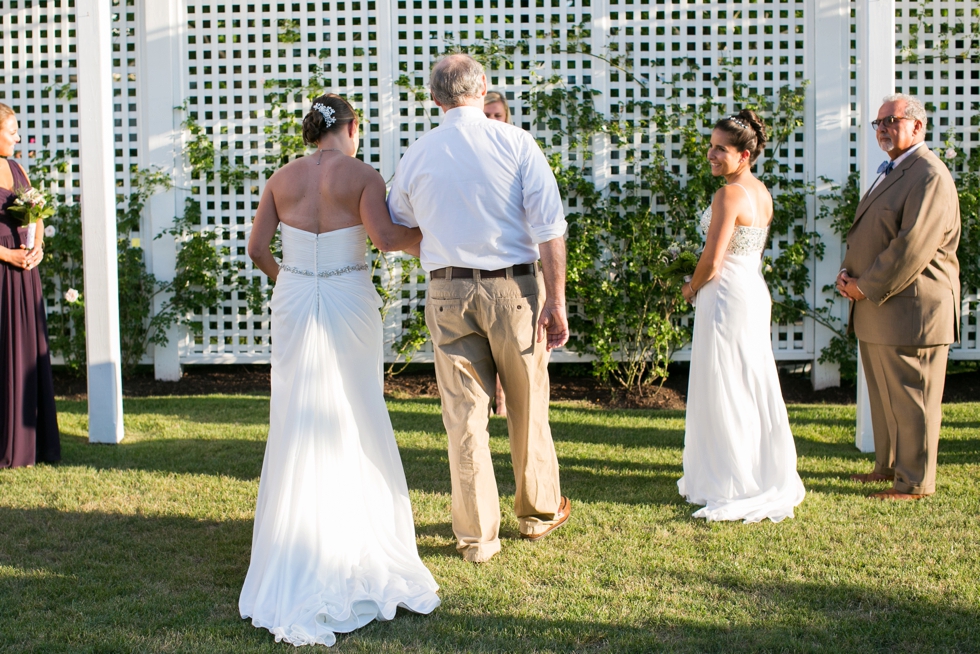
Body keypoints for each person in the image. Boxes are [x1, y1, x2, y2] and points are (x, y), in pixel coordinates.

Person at [240, 93, 439, 646]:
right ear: (351, 127)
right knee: (356, 413)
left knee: (299, 417)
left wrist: (293, 281)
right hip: (351, 297)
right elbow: (387, 239)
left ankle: (295, 545)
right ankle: (355, 541)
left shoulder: (281, 178)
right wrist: (438, 236)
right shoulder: (363, 175)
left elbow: (258, 248)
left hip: (297, 299)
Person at [388, 54, 571, 563]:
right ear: (483, 88)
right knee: (529, 402)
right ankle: (536, 514)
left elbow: (398, 224)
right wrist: (555, 301)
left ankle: (477, 538)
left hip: (447, 290)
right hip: (515, 290)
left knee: (463, 415)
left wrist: (437, 246)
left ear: (435, 98)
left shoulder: (419, 152)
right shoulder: (516, 142)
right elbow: (550, 229)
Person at [677, 110, 806, 523]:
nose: (711, 154)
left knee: (724, 384)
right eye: (711, 146)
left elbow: (713, 260)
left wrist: (690, 286)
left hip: (725, 297)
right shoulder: (761, 192)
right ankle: (757, 472)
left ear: (745, 155)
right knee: (750, 381)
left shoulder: (728, 195)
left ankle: (731, 479)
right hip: (750, 290)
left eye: (720, 149)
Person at [837, 93, 960, 501]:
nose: (883, 129)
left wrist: (864, 285)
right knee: (886, 397)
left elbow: (911, 246)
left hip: (912, 310)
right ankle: (888, 468)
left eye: (892, 121)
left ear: (917, 126)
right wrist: (848, 274)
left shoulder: (929, 174)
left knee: (913, 400)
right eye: (879, 123)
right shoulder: (893, 170)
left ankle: (915, 483)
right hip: (879, 308)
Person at [0, 103, 60, 470]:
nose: (18, 138)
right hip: (3, 269)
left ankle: (34, 443)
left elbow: (35, 214)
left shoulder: (17, 167)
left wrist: (37, 248)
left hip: (26, 273)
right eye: (12, 132)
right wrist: (8, 257)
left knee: (28, 352)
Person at [483, 89, 512, 417]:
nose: (492, 121)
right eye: (487, 115)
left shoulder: (519, 148)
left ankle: (503, 400)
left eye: (497, 115)